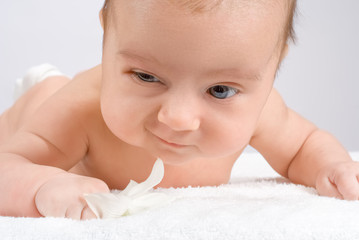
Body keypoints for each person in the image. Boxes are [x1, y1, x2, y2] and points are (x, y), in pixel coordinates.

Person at [0, 0, 358, 220]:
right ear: (107, 34)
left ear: (272, 66)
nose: (177, 117)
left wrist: (333, 165)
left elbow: (302, 146)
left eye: (219, 90)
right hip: (44, 101)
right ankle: (43, 83)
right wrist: (42, 184)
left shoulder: (259, 113)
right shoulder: (80, 112)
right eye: (146, 76)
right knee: (46, 93)